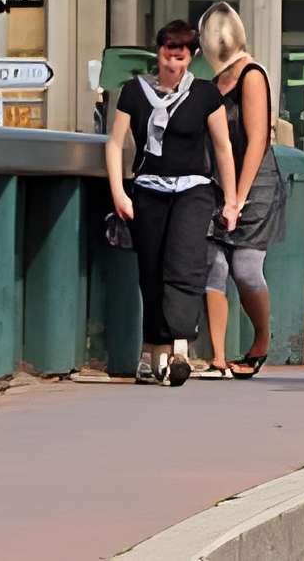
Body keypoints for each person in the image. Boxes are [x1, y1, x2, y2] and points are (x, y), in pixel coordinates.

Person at [106, 21, 231, 387]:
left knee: (185, 263)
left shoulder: (206, 94)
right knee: (151, 269)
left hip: (193, 189)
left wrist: (233, 199)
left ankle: (179, 349)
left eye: (179, 58)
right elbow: (115, 144)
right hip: (148, 188)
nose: (172, 65)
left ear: (190, 58)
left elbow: (222, 147)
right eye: (166, 56)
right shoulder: (134, 91)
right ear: (157, 53)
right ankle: (152, 353)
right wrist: (119, 191)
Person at [199, 3, 283, 379]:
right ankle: (217, 356)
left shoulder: (252, 75)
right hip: (218, 182)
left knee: (246, 270)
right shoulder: (213, 84)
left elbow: (257, 141)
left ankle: (261, 340)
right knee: (213, 265)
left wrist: (239, 197)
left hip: (255, 182)